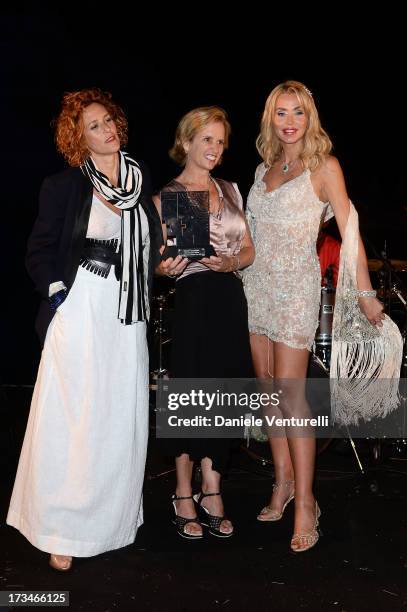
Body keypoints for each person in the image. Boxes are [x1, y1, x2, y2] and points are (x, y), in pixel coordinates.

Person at [7, 88, 162, 570]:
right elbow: (40, 248)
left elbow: (152, 244)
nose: (107, 129)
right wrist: (59, 295)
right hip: (81, 303)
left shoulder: (140, 179)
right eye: (94, 125)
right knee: (72, 417)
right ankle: (61, 528)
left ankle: (109, 523)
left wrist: (167, 261)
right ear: (79, 137)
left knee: (118, 414)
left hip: (126, 308)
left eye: (109, 119)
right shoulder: (63, 185)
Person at [242, 81, 385, 552]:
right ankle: (281, 484)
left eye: (297, 113)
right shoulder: (264, 169)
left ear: (310, 118)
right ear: (271, 118)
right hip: (256, 287)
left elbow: (351, 229)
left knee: (291, 397)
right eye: (281, 113)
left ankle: (307, 501)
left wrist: (364, 292)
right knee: (266, 393)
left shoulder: (324, 167)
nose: (289, 121)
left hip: (294, 291)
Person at [154, 106, 255, 539]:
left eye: (220, 140)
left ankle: (211, 487)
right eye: (207, 139)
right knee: (191, 389)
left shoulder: (231, 188)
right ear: (188, 141)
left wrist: (232, 259)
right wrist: (165, 269)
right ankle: (182, 490)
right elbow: (157, 262)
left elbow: (248, 249)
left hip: (230, 297)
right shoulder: (169, 196)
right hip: (194, 299)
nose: (214, 148)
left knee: (225, 390)